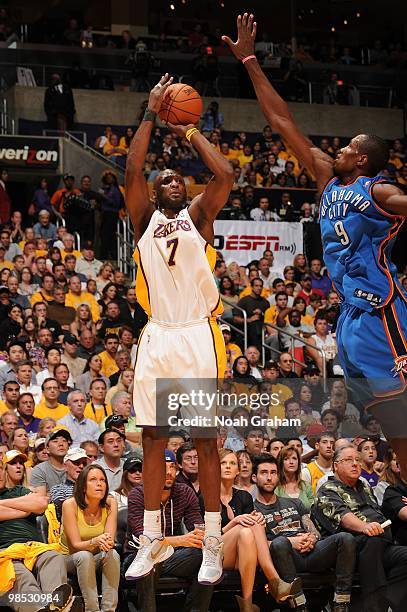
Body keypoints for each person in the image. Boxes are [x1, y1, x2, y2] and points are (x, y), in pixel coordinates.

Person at [223, 13, 407, 478]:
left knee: (403, 419)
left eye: (347, 146)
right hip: (348, 314)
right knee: (389, 425)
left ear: (361, 159)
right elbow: (281, 118)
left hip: (382, 311)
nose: (338, 148)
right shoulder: (327, 178)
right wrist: (249, 61)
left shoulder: (378, 191)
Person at [124, 73, 234, 584]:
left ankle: (212, 540)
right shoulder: (143, 218)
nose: (170, 182)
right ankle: (149, 538)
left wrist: (188, 128)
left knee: (206, 440)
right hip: (157, 335)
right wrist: (150, 112)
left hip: (197, 334)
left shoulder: (197, 216)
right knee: (152, 437)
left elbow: (226, 173)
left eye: (176, 179)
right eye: (162, 179)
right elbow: (132, 171)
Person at [251, 453, 356, 612]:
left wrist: (312, 538)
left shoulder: (294, 503)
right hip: (286, 557)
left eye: (273, 473)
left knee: (345, 538)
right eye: (264, 473)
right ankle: (299, 604)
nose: (269, 477)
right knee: (280, 543)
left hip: (312, 552)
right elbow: (257, 546)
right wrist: (292, 542)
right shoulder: (253, 509)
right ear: (254, 477)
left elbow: (314, 531)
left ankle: (341, 601)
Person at [313, 444, 407, 612]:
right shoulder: (328, 489)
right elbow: (344, 517)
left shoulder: (364, 486)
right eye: (349, 460)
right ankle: (375, 606)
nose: (355, 464)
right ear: (336, 465)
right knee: (373, 541)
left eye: (357, 460)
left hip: (382, 543)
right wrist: (365, 527)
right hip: (350, 550)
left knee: (404, 556)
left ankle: (392, 602)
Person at [123, 450, 215, 612]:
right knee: (150, 561)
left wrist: (199, 536)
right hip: (137, 557)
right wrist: (181, 540)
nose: (168, 472)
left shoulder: (185, 492)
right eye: (162, 467)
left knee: (205, 556)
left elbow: (198, 529)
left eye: (172, 467)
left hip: (172, 556)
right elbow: (143, 538)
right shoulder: (137, 495)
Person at [218, 449, 300, 610]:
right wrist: (234, 522)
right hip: (215, 554)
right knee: (248, 525)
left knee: (253, 524)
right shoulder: (205, 496)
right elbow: (207, 538)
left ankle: (247, 605)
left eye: (232, 463)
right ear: (215, 467)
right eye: (223, 463)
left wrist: (258, 520)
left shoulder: (244, 497)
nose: (228, 467)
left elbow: (248, 534)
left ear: (238, 470)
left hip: (242, 555)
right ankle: (275, 581)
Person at [0, 461, 75, 612]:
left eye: (0, 469)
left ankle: (55, 605)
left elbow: (41, 503)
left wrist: (4, 504)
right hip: (5, 552)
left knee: (53, 557)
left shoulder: (18, 490)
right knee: (19, 576)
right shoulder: (23, 497)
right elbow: (31, 505)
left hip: (33, 548)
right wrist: (24, 508)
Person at [60, 464, 120, 612]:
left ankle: (109, 610)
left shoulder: (111, 504)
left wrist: (107, 542)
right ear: (83, 487)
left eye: (102, 480)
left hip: (96, 556)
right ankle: (92, 609)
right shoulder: (70, 505)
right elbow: (75, 545)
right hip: (69, 558)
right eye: (93, 480)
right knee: (85, 556)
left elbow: (109, 541)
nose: (99, 484)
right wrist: (95, 541)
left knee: (113, 554)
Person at [49, 446, 88, 522]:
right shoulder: (57, 489)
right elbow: (63, 512)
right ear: (65, 466)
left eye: (84, 463)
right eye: (76, 463)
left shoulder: (92, 487)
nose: (81, 466)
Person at [29, 427, 72, 494]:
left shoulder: (76, 466)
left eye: (64, 440)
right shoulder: (40, 470)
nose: (61, 444)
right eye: (55, 441)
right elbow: (40, 499)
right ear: (47, 449)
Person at [275, 446, 315, 511]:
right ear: (281, 462)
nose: (291, 462)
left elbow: (313, 509)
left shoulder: (306, 486)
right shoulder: (276, 487)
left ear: (298, 462)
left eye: (294, 458)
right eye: (286, 459)